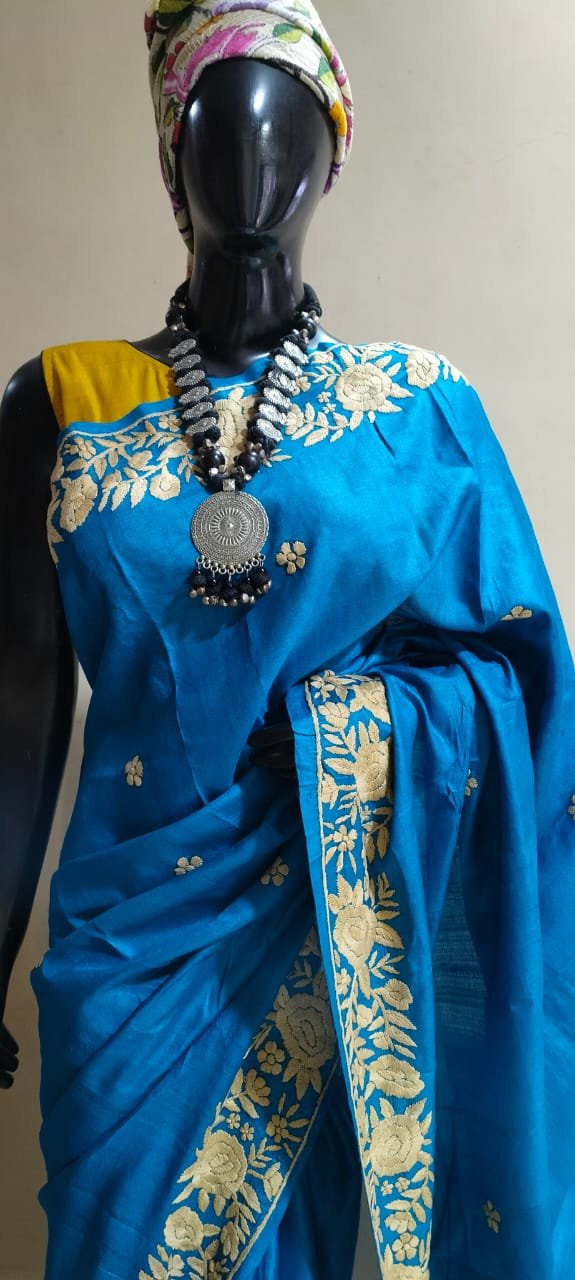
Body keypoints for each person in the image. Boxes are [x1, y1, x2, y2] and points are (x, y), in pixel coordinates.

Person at [1, 3, 574, 1278]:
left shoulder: (418, 411)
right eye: (218, 126)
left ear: (332, 155)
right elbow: (16, 724)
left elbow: (521, 677)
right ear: (171, 157)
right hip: (123, 956)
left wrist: (343, 733)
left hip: (312, 929)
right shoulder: (60, 401)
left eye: (288, 128)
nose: (254, 162)